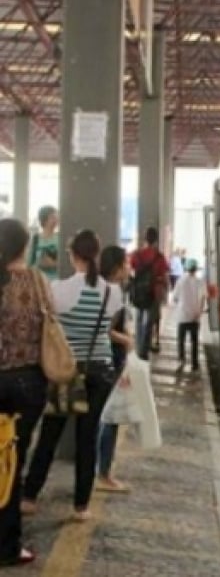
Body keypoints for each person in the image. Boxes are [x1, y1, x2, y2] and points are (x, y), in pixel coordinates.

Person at [22, 229, 123, 522]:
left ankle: (29, 496)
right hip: (102, 369)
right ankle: (82, 506)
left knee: (50, 433)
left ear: (72, 255)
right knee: (87, 437)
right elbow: (106, 329)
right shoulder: (112, 292)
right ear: (96, 254)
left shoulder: (59, 289)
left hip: (68, 370)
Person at [0, 219, 49, 566]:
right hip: (27, 383)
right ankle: (8, 545)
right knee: (12, 465)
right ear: (24, 247)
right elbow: (51, 320)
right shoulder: (36, 280)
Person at [95, 245, 134, 494]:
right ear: (117, 267)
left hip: (107, 359)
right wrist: (126, 340)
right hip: (111, 359)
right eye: (126, 263)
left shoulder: (102, 288)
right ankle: (104, 474)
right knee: (111, 416)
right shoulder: (113, 292)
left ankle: (102, 471)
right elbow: (106, 330)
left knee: (104, 416)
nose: (129, 267)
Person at [129, 227, 169, 360]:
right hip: (153, 293)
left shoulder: (136, 254)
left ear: (144, 238)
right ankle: (143, 351)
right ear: (156, 240)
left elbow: (131, 270)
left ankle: (138, 347)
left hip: (139, 291)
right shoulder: (159, 257)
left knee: (139, 319)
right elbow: (163, 275)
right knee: (149, 322)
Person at [172, 259, 206, 373]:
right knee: (194, 341)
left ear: (186, 268)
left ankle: (181, 360)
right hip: (194, 316)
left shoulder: (180, 281)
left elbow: (175, 298)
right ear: (196, 269)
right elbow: (203, 298)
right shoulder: (200, 281)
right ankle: (194, 364)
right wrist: (199, 312)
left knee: (181, 340)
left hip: (182, 316)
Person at [28, 205, 59, 281]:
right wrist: (39, 264)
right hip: (39, 281)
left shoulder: (60, 238)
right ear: (44, 219)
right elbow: (30, 263)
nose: (56, 219)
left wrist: (53, 264)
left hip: (56, 281)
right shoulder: (36, 238)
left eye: (56, 216)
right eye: (52, 217)